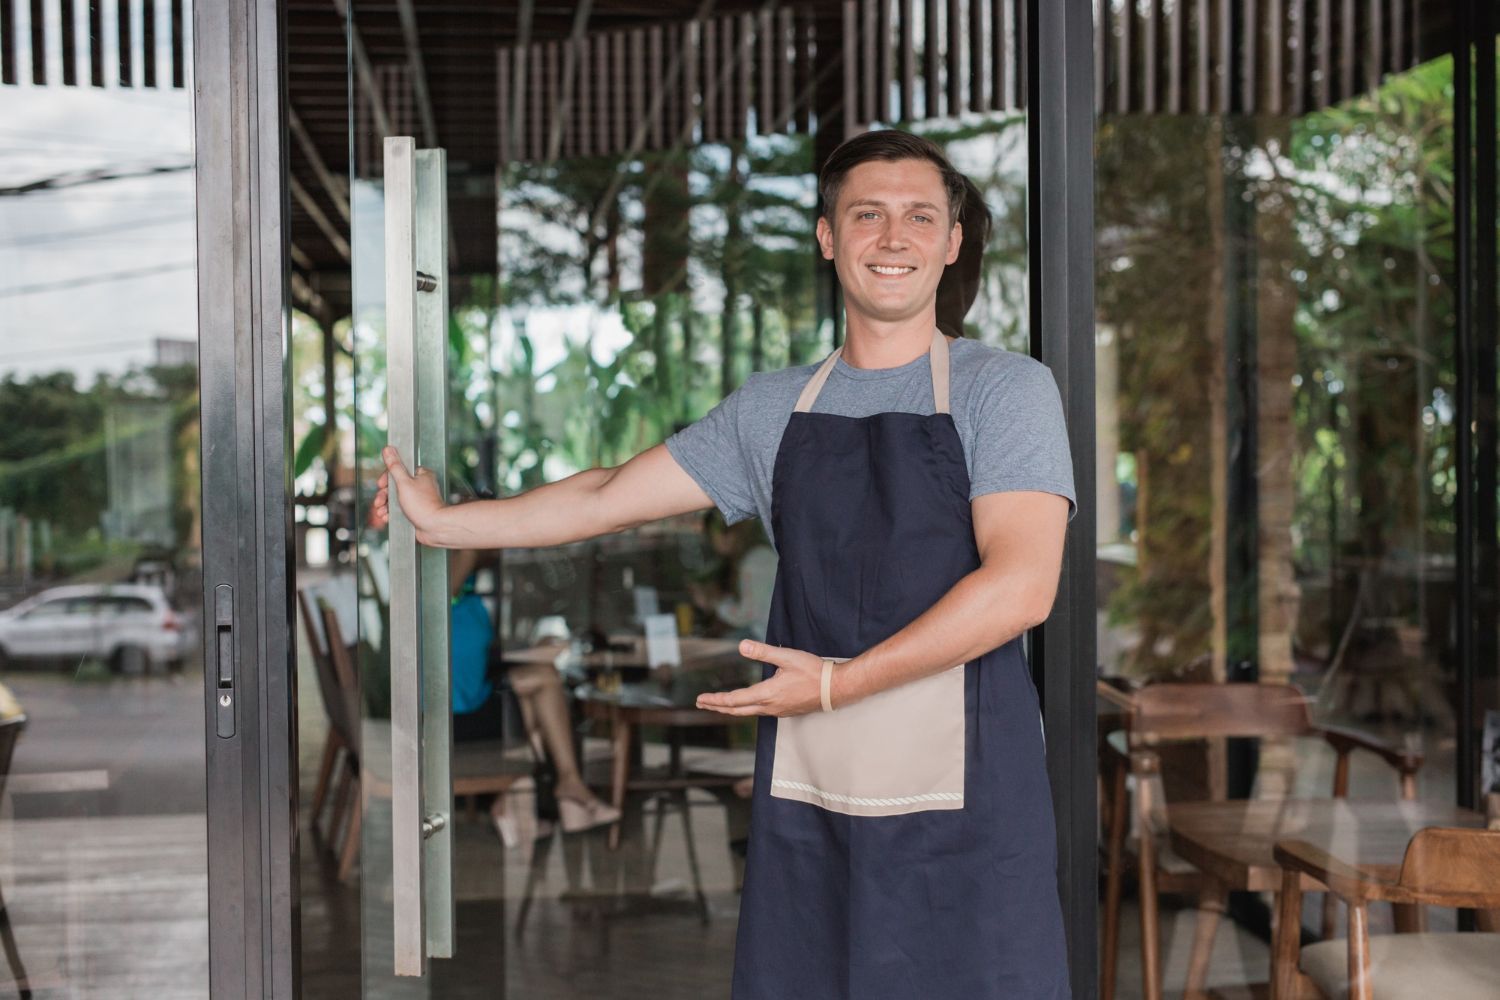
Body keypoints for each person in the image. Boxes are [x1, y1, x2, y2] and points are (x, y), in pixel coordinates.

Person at [371, 129, 1074, 998]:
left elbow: (1021, 585)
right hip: (814, 791)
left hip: (969, 799)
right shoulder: (773, 409)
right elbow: (601, 497)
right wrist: (444, 523)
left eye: (920, 217)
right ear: (827, 236)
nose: (894, 239)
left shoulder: (1003, 390)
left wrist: (833, 686)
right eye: (868, 215)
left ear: (952, 240)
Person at [445, 548, 620, 837]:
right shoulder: (440, 593)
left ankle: (529, 795)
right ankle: (551, 791)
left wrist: (532, 649)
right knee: (541, 687)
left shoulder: (464, 597)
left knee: (539, 684)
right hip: (453, 724)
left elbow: (480, 661)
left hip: (474, 705)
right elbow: (468, 544)